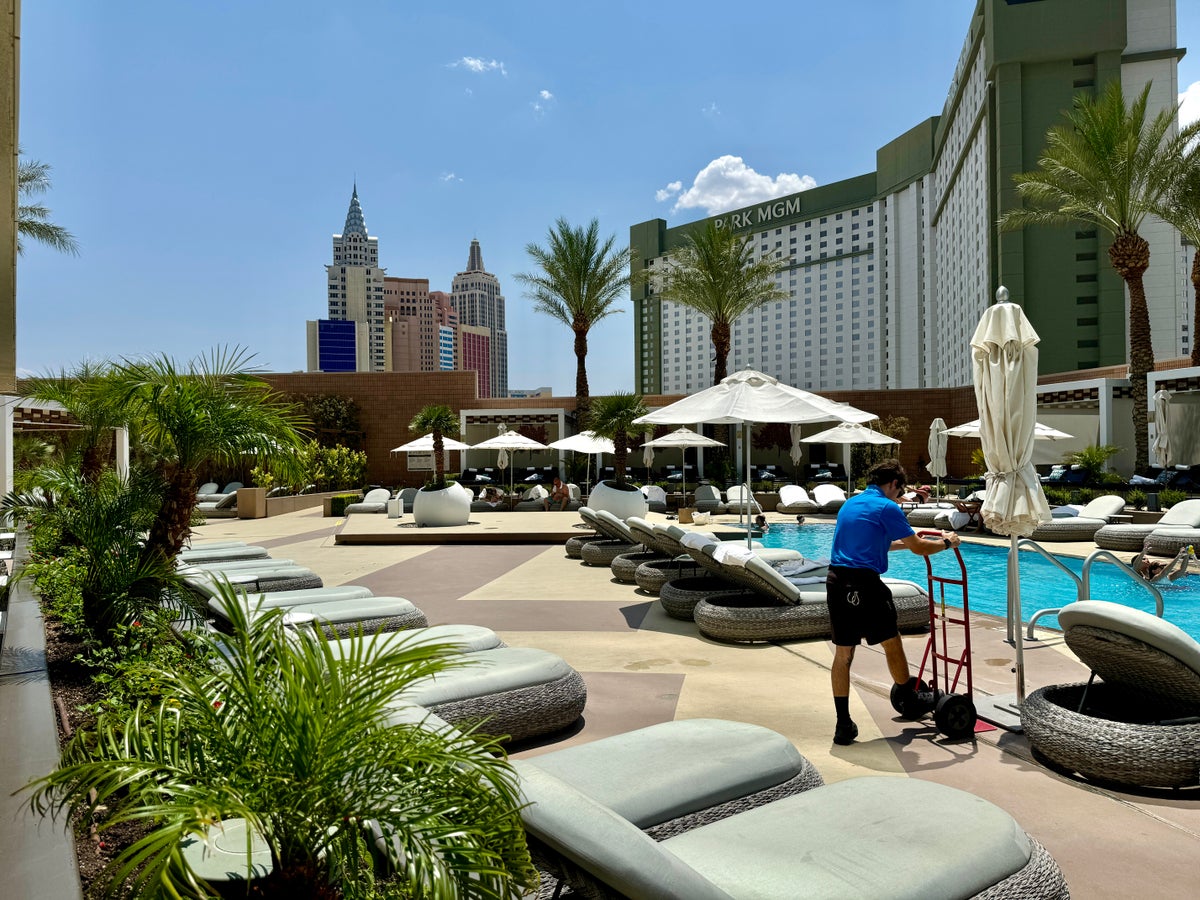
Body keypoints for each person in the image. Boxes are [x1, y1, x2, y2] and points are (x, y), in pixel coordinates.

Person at [825, 458, 961, 746]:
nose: (900, 496)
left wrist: (909, 539)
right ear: (893, 484)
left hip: (837, 581)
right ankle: (909, 697)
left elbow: (879, 542)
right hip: (865, 583)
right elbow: (920, 549)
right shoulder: (886, 506)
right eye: (899, 491)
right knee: (891, 640)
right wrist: (947, 542)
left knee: (843, 654)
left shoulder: (852, 503)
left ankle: (843, 725)